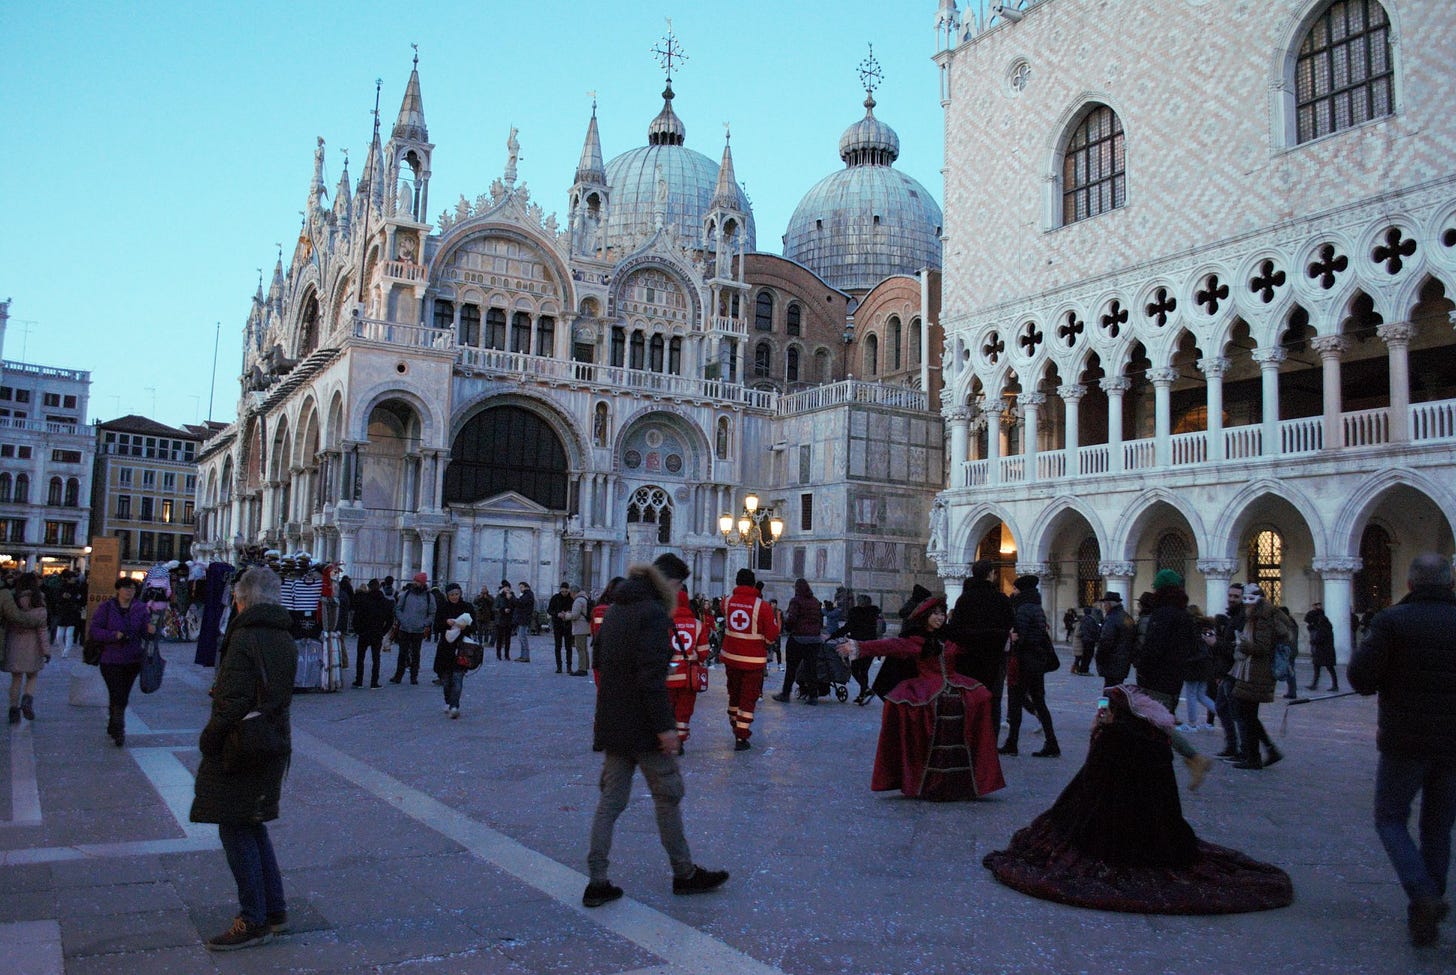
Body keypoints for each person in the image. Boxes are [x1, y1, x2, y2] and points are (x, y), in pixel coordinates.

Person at [982, 683, 1294, 914]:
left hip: (1114, 833)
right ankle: (1195, 758)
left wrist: (1101, 736)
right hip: (1158, 832)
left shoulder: (1117, 740)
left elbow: (1088, 790)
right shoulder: (1149, 739)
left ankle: (1195, 758)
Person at [583, 560, 729, 907]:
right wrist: (665, 727)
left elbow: (599, 659)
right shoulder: (652, 613)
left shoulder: (616, 609)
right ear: (670, 583)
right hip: (644, 726)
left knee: (611, 800)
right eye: (679, 587)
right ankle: (684, 873)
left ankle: (597, 880)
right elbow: (651, 678)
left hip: (614, 721)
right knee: (669, 795)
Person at [1349, 553, 1456, 947]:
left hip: (1404, 740)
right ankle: (1424, 913)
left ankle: (1422, 894)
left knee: (1390, 819)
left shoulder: (1393, 620)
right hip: (1452, 743)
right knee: (1438, 827)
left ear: (1410, 584)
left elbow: (1360, 676)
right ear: (1450, 583)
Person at [190, 567, 298, 951]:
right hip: (272, 740)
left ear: (242, 600)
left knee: (235, 827)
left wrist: (209, 739)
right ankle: (275, 910)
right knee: (252, 824)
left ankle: (253, 919)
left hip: (242, 745)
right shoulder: (284, 635)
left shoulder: (245, 637)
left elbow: (232, 701)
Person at [838, 594, 1005, 800]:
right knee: (918, 716)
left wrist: (1006, 635)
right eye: (935, 614)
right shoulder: (916, 640)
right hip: (927, 688)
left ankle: (964, 781)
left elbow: (977, 640)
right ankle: (924, 779)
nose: (939, 618)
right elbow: (890, 645)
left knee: (979, 701)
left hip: (955, 684)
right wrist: (859, 647)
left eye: (942, 614)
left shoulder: (951, 636)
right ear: (925, 616)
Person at [1130, 569, 1214, 790]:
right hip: (1174, 680)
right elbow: (1194, 649)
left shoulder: (1163, 615)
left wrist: (1141, 666)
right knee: (1156, 725)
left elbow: (1153, 648)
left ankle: (1193, 758)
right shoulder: (1184, 616)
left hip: (1158, 679)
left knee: (1157, 725)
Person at [943, 558, 1015, 730]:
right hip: (994, 659)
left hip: (968, 659)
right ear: (990, 575)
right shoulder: (1001, 599)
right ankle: (989, 744)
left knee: (968, 697)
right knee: (992, 701)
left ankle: (967, 738)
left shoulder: (964, 599)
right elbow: (1009, 624)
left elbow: (955, 629)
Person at [1230, 583, 1292, 771]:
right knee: (1247, 714)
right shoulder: (1258, 616)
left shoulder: (1262, 618)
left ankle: (1255, 756)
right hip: (1251, 671)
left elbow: (1262, 647)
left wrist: (1242, 644)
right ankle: (1262, 752)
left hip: (1257, 672)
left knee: (1246, 714)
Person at [89, 577, 155, 746]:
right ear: (118, 589)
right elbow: (95, 630)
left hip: (132, 660)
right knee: (117, 692)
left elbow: (145, 633)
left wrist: (150, 630)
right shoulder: (107, 607)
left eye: (132, 588)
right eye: (126, 588)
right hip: (110, 659)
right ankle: (119, 729)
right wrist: (113, 635)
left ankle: (113, 722)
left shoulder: (140, 609)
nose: (129, 591)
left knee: (122, 695)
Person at [1000, 575, 1060, 758]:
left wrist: (1011, 637)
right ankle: (1051, 742)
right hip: (1037, 662)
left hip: (1025, 661)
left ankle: (1012, 742)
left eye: (1016, 590)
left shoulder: (1024, 609)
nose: (1013, 593)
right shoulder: (1036, 607)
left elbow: (1020, 635)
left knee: (1016, 701)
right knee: (1039, 702)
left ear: (1022, 591)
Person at [719, 568, 780, 750]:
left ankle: (735, 725)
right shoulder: (762, 606)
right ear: (753, 584)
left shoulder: (726, 602)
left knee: (734, 694)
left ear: (736, 582)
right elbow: (771, 635)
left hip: (731, 657)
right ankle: (741, 736)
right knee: (748, 697)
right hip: (753, 661)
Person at [656, 555, 706, 750]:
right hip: (688, 678)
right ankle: (680, 741)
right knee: (684, 711)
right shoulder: (698, 624)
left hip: (669, 675)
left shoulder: (664, 621)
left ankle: (666, 740)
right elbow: (702, 653)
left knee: (668, 709)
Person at [5, 572, 49, 725]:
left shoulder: (13, 599)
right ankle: (27, 699)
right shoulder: (38, 600)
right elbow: (42, 628)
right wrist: (46, 650)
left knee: (16, 678)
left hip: (13, 642)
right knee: (32, 675)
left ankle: (13, 710)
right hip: (33, 644)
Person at [774, 578, 823, 705]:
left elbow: (792, 619)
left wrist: (788, 628)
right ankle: (813, 696)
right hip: (814, 640)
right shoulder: (815, 601)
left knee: (791, 667)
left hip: (799, 638)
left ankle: (785, 693)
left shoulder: (796, 601)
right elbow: (819, 619)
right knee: (811, 668)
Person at [1212, 582, 1246, 760]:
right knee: (1222, 707)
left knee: (1237, 712)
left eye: (1236, 597)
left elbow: (1236, 648)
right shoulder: (1233, 617)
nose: (1232, 599)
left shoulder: (1242, 618)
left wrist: (1215, 643)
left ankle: (1242, 748)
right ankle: (1232, 745)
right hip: (1227, 671)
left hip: (1235, 672)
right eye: (1230, 596)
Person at [833, 594, 884, 705]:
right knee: (864, 671)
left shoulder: (855, 612)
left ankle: (865, 690)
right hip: (871, 645)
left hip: (858, 645)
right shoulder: (875, 613)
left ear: (860, 602)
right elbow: (880, 629)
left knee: (855, 669)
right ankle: (862, 694)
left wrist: (834, 635)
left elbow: (848, 627)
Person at [432, 584, 474, 718]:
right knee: (446, 679)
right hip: (446, 648)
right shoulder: (443, 608)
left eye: (456, 594)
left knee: (457, 677)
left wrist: (464, 627)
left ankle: (454, 706)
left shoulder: (467, 607)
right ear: (447, 595)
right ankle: (448, 701)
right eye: (452, 594)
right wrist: (446, 623)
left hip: (462, 647)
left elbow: (474, 626)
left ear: (460, 593)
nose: (454, 597)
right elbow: (436, 627)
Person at [389, 572, 436, 684]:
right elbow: (398, 609)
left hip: (418, 630)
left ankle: (414, 676)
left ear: (423, 583)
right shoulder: (406, 594)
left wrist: (425, 623)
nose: (415, 583)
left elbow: (432, 613)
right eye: (415, 580)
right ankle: (398, 675)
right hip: (404, 629)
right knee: (402, 653)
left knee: (416, 654)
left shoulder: (429, 597)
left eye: (418, 581)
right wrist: (402, 620)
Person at [351, 579, 394, 689]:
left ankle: (359, 680)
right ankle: (374, 682)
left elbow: (356, 618)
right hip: (377, 632)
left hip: (364, 632)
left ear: (369, 587)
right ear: (379, 587)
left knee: (360, 657)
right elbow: (390, 620)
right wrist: (383, 631)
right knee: (376, 658)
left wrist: (358, 630)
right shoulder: (385, 602)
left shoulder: (363, 600)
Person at [1094, 591, 1135, 687]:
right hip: (1123, 661)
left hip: (1112, 661)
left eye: (1105, 604)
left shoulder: (1112, 618)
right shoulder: (1126, 617)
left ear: (1109, 604)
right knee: (1117, 689)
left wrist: (1099, 657)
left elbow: (1106, 641)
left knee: (1108, 691)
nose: (1104, 606)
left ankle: (1106, 703)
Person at [1306, 602, 1339, 691]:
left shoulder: (1323, 626)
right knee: (1318, 667)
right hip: (1322, 650)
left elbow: (1321, 638)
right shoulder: (1324, 625)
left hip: (1324, 650)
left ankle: (1334, 685)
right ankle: (1315, 684)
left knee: (1329, 668)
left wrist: (1314, 641)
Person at [55, 569, 85, 658]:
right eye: (72, 578)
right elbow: (56, 599)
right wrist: (62, 598)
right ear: (67, 579)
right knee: (59, 636)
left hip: (72, 613)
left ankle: (66, 652)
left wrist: (73, 599)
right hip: (62, 612)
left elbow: (80, 599)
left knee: (69, 634)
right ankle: (63, 650)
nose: (74, 579)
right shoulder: (60, 588)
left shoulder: (77, 588)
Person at [563, 583, 591, 676]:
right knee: (584, 648)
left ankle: (582, 669)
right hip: (585, 626)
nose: (570, 595)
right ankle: (585, 666)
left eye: (570, 592)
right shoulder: (585, 598)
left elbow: (575, 615)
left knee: (580, 648)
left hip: (580, 627)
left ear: (574, 592)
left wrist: (565, 615)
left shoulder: (578, 601)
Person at [549, 582, 574, 674]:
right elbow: (549, 610)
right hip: (557, 625)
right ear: (560, 590)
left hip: (568, 625)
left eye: (566, 591)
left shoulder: (571, 599)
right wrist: (557, 614)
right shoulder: (555, 598)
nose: (564, 593)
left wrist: (568, 613)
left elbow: (574, 611)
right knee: (558, 646)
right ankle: (559, 666)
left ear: (568, 590)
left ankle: (569, 667)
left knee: (568, 647)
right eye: (562, 591)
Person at [1073, 605, 1101, 675]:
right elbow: (1093, 630)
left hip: (1085, 640)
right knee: (1088, 656)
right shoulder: (1090, 620)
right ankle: (1084, 670)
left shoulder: (1083, 619)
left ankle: (1082, 669)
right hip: (1089, 640)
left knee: (1085, 656)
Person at [513, 581, 536, 662]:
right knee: (520, 637)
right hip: (522, 618)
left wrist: (512, 597)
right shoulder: (526, 595)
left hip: (524, 618)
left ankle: (526, 656)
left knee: (523, 637)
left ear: (526, 587)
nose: (520, 589)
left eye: (522, 587)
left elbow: (520, 603)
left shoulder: (528, 595)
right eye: (520, 587)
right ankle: (523, 655)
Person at [493, 580, 515, 660]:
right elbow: (495, 607)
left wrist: (511, 599)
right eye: (505, 588)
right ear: (503, 588)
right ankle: (498, 654)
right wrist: (502, 610)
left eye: (508, 588)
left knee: (508, 639)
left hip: (509, 620)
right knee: (499, 638)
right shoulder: (499, 596)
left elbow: (515, 606)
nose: (507, 589)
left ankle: (507, 654)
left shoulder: (512, 596)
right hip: (500, 620)